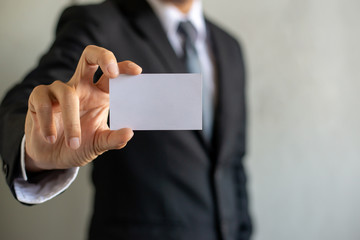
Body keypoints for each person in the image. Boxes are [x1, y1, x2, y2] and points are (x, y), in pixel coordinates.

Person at [0, 0, 251, 239]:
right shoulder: (98, 23)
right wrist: (34, 143)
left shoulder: (230, 47)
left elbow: (232, 161)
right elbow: (25, 102)